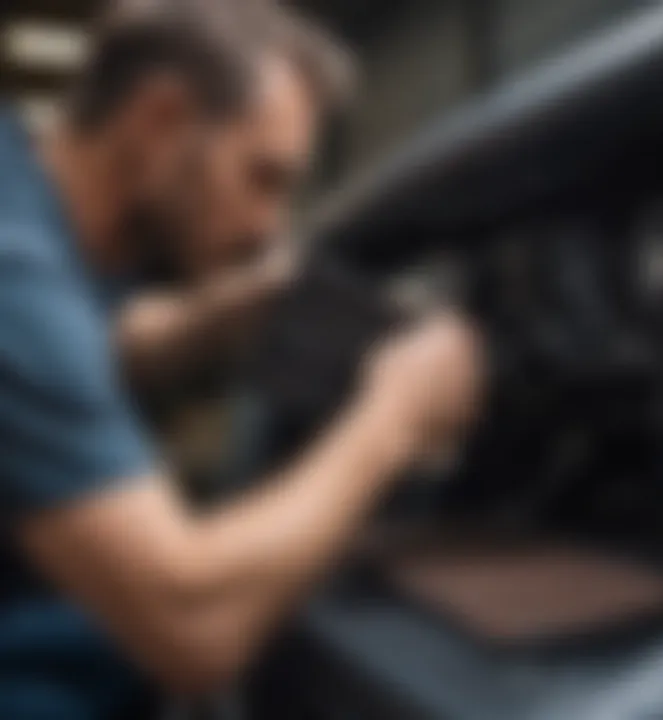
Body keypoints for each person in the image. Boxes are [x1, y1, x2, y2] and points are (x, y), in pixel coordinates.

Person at [0, 0, 483, 717]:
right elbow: (193, 632)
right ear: (160, 122)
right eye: (264, 178)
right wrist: (394, 417)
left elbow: (88, 348)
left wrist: (216, 319)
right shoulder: (11, 263)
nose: (272, 229)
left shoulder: (47, 210)